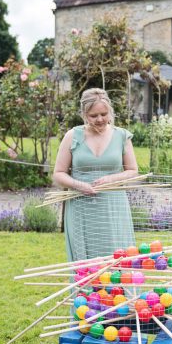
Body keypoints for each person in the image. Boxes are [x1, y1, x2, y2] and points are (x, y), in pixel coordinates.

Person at [52, 88, 138, 261]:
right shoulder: (72, 136)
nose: (100, 119)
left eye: (104, 114)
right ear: (84, 114)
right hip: (81, 206)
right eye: (93, 115)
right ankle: (86, 288)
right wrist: (79, 185)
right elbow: (58, 174)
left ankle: (118, 289)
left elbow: (133, 171)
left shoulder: (121, 136)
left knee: (116, 255)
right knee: (86, 259)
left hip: (113, 206)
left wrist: (112, 178)